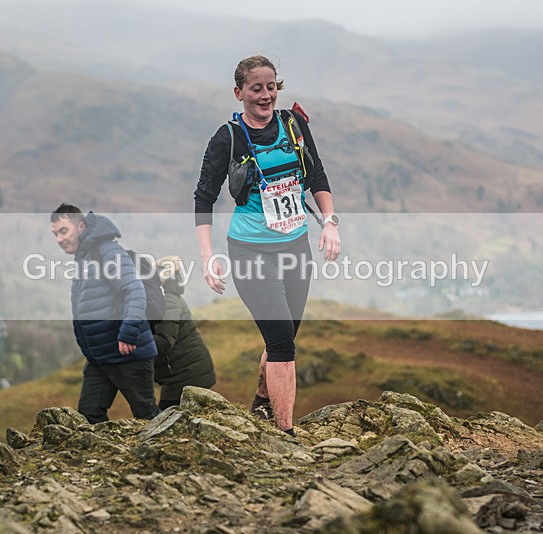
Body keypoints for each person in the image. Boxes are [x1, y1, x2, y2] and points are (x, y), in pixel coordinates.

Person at [194, 55, 341, 436]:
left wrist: (329, 223)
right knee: (282, 346)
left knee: (284, 337)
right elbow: (203, 198)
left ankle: (261, 402)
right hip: (250, 251)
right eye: (256, 88)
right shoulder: (227, 137)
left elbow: (317, 175)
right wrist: (208, 256)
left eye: (271, 87)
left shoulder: (293, 125)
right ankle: (286, 433)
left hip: (296, 248)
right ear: (239, 92)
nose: (265, 95)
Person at [50, 203, 160, 423]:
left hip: (128, 353)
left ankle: (173, 453)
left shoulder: (107, 251)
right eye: (55, 234)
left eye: (64, 231)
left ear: (81, 226)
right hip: (100, 356)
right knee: (89, 415)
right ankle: (99, 458)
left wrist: (128, 333)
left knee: (147, 416)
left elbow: (135, 290)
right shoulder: (85, 257)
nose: (59, 239)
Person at [151, 256, 216, 410]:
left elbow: (165, 341)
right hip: (181, 373)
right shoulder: (163, 298)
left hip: (188, 374)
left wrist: (136, 339)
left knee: (169, 418)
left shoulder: (168, 301)